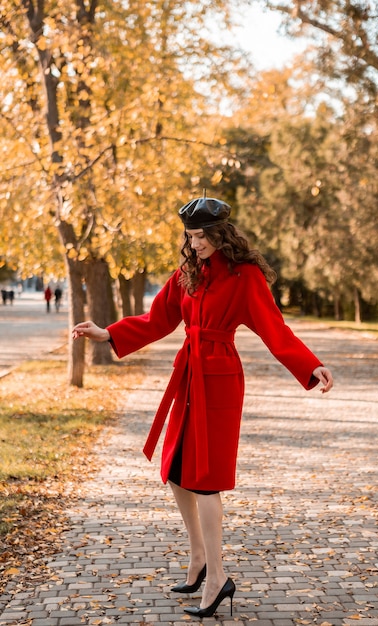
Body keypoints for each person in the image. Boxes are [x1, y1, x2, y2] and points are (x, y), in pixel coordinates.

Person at [72, 196, 333, 618]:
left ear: (220, 233)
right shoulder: (188, 273)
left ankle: (218, 577)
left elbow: (275, 329)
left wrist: (311, 366)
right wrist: (108, 334)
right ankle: (198, 559)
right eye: (190, 237)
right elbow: (158, 318)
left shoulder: (244, 276)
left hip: (221, 380)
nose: (194, 245)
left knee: (207, 478)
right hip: (189, 373)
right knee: (177, 469)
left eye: (201, 237)